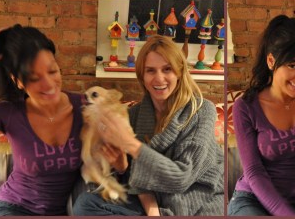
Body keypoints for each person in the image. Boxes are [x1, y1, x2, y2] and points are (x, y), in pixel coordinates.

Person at [72, 35, 224, 216]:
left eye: (167, 69)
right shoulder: (134, 115)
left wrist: (130, 143)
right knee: (85, 203)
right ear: (142, 76)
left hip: (198, 202)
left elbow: (181, 178)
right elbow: (138, 181)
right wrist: (123, 167)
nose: (159, 79)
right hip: (151, 203)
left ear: (179, 72)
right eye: (150, 71)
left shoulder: (202, 110)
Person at [0, 25, 84, 215]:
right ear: (17, 81)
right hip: (12, 207)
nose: (49, 84)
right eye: (34, 78)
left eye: (52, 71)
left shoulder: (85, 106)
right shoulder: (7, 113)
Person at [229, 15, 295, 215]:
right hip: (251, 200)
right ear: (271, 61)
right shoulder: (245, 107)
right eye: (292, 66)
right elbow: (254, 172)